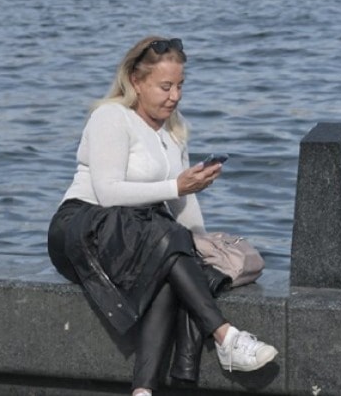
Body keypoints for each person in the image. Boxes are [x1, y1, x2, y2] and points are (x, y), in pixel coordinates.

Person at [46, 36, 278, 396]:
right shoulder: (111, 117)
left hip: (141, 234)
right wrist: (176, 187)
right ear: (136, 82)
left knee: (172, 256)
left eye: (180, 86)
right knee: (163, 239)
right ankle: (225, 335)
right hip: (82, 229)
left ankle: (145, 391)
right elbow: (108, 193)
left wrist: (196, 243)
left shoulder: (174, 132)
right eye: (165, 86)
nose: (175, 96)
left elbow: (183, 208)